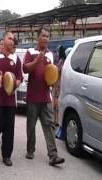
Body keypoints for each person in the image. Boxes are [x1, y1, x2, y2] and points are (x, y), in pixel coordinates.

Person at [23, 27, 65, 166]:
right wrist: (37, 59)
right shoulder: (30, 52)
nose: (45, 38)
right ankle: (30, 150)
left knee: (49, 126)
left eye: (47, 36)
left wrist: (55, 85)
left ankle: (53, 155)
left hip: (46, 97)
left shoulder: (51, 55)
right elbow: (25, 68)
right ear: (37, 37)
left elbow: (52, 74)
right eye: (43, 35)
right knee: (31, 126)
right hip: (32, 97)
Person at [0, 31, 23, 166]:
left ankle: (7, 155)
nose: (12, 41)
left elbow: (19, 76)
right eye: (10, 38)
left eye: (13, 39)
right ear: (3, 40)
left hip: (10, 101)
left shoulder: (16, 59)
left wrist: (16, 83)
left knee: (9, 129)